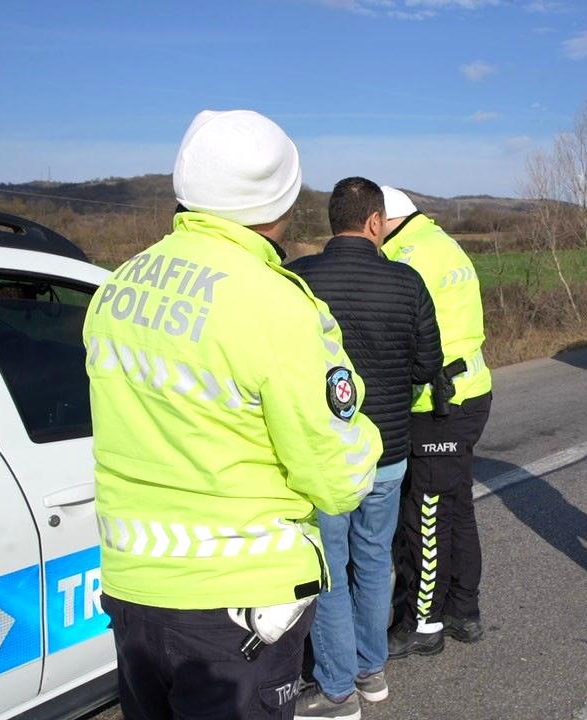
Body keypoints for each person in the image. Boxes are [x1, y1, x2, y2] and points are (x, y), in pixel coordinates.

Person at [84, 110, 383, 720]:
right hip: (238, 611)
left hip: (133, 592)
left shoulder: (117, 288)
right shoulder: (278, 306)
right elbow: (340, 477)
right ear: (286, 200)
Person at [286, 177, 442, 719]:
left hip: (322, 455)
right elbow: (427, 365)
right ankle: (369, 672)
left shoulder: (296, 280)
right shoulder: (406, 282)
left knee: (330, 567)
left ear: (334, 222)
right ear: (376, 222)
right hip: (388, 450)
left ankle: (335, 690)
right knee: (374, 560)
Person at [378, 186, 493, 657]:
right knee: (454, 507)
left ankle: (423, 624)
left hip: (436, 403)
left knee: (424, 515)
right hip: (470, 392)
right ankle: (464, 611)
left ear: (384, 220)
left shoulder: (406, 256)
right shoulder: (441, 241)